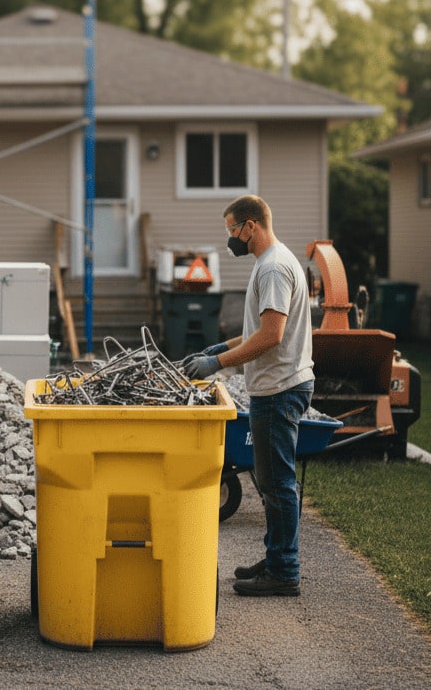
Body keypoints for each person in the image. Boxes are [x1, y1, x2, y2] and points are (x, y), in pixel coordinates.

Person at [184, 195, 314, 597]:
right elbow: (261, 331)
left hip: (279, 388)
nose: (231, 240)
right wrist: (219, 349)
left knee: (277, 486)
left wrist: (217, 366)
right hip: (279, 385)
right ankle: (276, 558)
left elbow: (273, 337)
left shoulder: (273, 267)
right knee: (273, 483)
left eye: (232, 231)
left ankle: (284, 571)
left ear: (250, 226)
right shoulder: (274, 261)